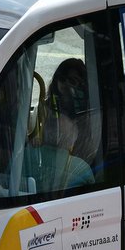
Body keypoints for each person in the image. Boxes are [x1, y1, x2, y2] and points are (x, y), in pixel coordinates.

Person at [29, 59, 94, 192]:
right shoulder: (43, 109)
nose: (65, 85)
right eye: (62, 79)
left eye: (72, 81)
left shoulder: (88, 116)